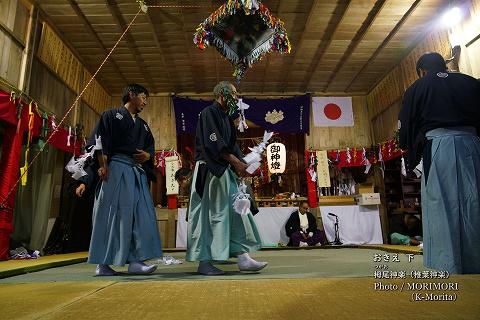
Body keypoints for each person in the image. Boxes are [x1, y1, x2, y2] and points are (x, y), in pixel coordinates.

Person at [398, 52, 480, 274]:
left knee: (441, 205)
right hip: (473, 146)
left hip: (439, 147)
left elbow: (405, 130)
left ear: (422, 71)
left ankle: (449, 264)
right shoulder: (470, 82)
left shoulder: (417, 88)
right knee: (475, 204)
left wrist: (412, 150)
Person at [186, 81, 267, 275]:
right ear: (223, 93)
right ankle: (204, 262)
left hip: (224, 170)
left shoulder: (226, 118)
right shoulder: (208, 113)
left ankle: (243, 257)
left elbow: (231, 146)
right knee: (208, 216)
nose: (237, 96)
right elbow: (214, 144)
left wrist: (244, 163)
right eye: (234, 92)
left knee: (237, 210)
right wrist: (236, 163)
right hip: (210, 170)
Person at [88, 83, 162, 276]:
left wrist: (147, 156)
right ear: (131, 95)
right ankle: (103, 264)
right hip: (116, 169)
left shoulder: (143, 125)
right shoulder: (111, 115)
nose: (145, 102)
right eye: (143, 97)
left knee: (139, 217)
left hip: (136, 172)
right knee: (113, 215)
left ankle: (135, 261)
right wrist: (103, 165)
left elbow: (150, 149)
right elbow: (99, 141)